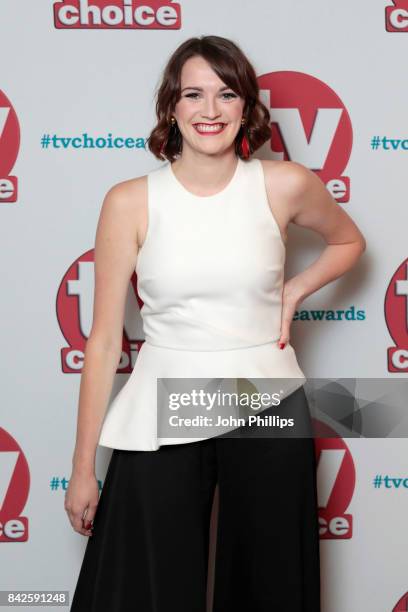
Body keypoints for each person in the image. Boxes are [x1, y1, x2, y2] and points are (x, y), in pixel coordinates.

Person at [66, 35, 366, 611]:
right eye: (194, 95)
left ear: (247, 106)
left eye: (226, 94)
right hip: (165, 402)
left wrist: (295, 291)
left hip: (266, 397)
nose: (210, 111)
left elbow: (349, 241)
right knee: (146, 586)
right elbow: (104, 342)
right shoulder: (130, 201)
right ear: (171, 107)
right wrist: (83, 470)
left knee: (273, 581)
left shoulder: (284, 184)